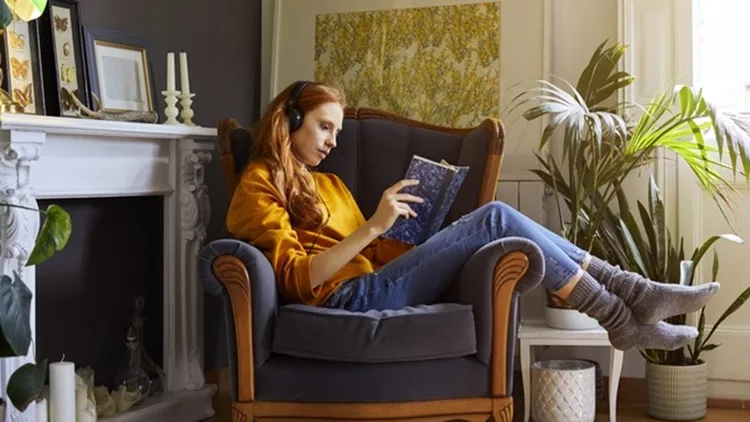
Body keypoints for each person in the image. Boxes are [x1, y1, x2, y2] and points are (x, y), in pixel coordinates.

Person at [226, 80, 719, 352]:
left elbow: (377, 252)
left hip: (374, 281)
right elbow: (294, 279)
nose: (333, 141)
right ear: (289, 120)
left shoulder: (328, 182)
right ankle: (623, 305)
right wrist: (375, 224)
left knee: (486, 222)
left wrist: (411, 230)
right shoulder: (258, 184)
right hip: (344, 301)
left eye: (335, 129)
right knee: (496, 216)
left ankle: (629, 298)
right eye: (323, 127)